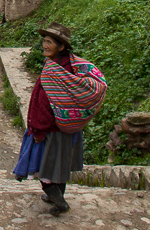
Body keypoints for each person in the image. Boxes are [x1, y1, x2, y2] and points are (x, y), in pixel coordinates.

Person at [13, 22, 104, 215]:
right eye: (44, 41)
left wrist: (38, 130)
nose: (45, 45)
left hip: (51, 130)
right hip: (68, 129)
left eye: (49, 42)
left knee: (44, 170)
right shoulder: (72, 65)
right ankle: (57, 196)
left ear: (61, 47)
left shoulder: (54, 73)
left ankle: (58, 201)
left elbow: (44, 105)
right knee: (60, 166)